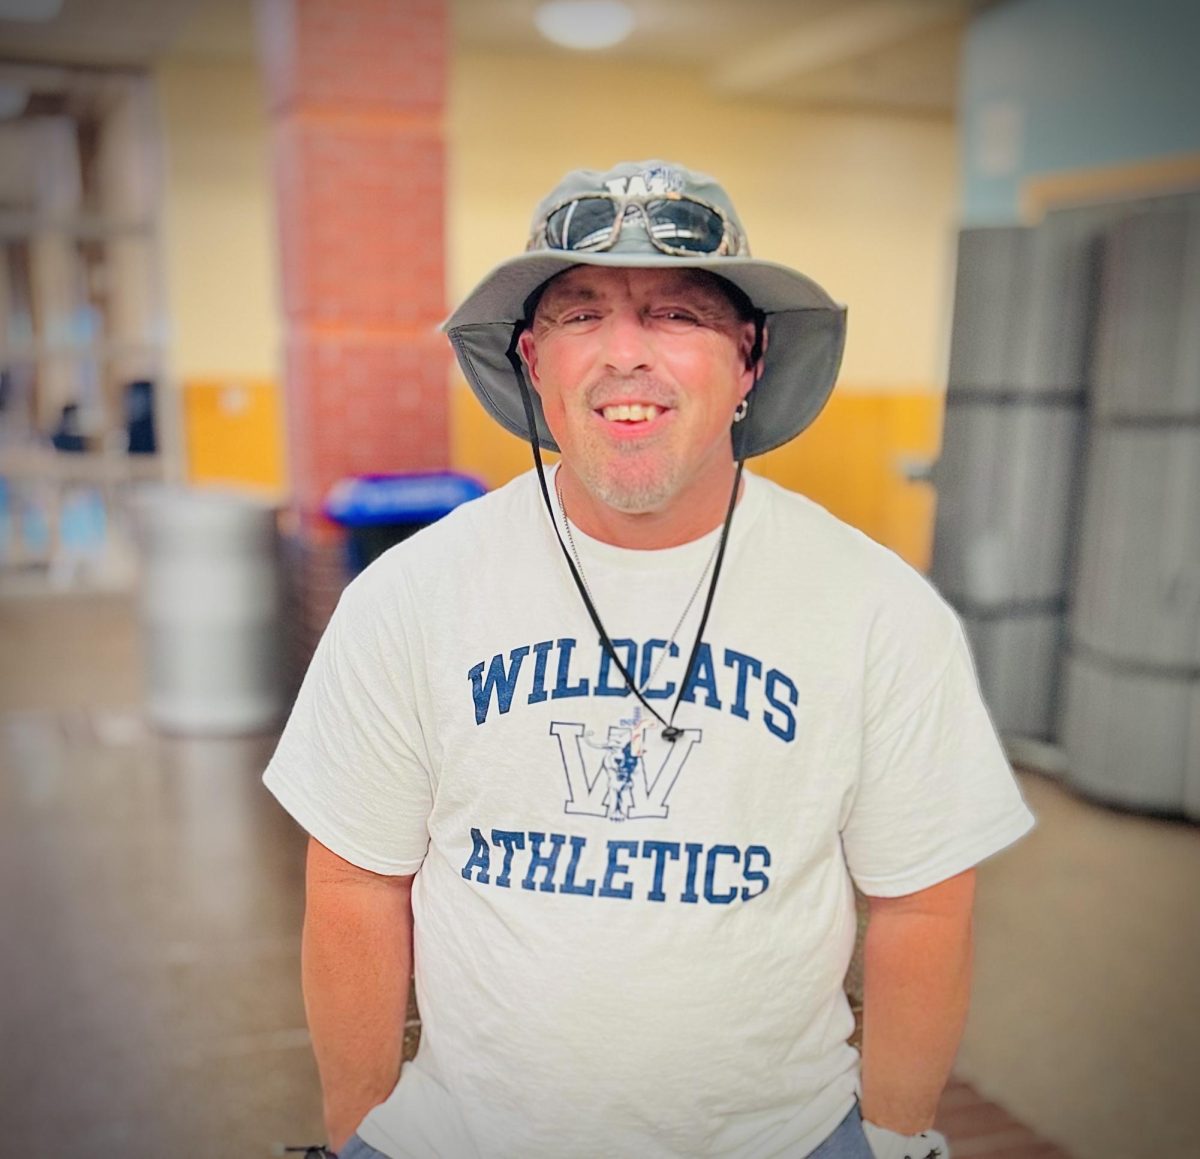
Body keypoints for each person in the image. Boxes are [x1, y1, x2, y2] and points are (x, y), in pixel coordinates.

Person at [265, 160, 1035, 1159]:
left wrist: (891, 1138)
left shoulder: (877, 607)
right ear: (534, 360)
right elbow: (357, 884)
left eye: (675, 313)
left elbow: (922, 899)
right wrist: (355, 1131)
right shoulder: (410, 598)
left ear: (751, 359)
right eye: (583, 315)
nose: (625, 354)